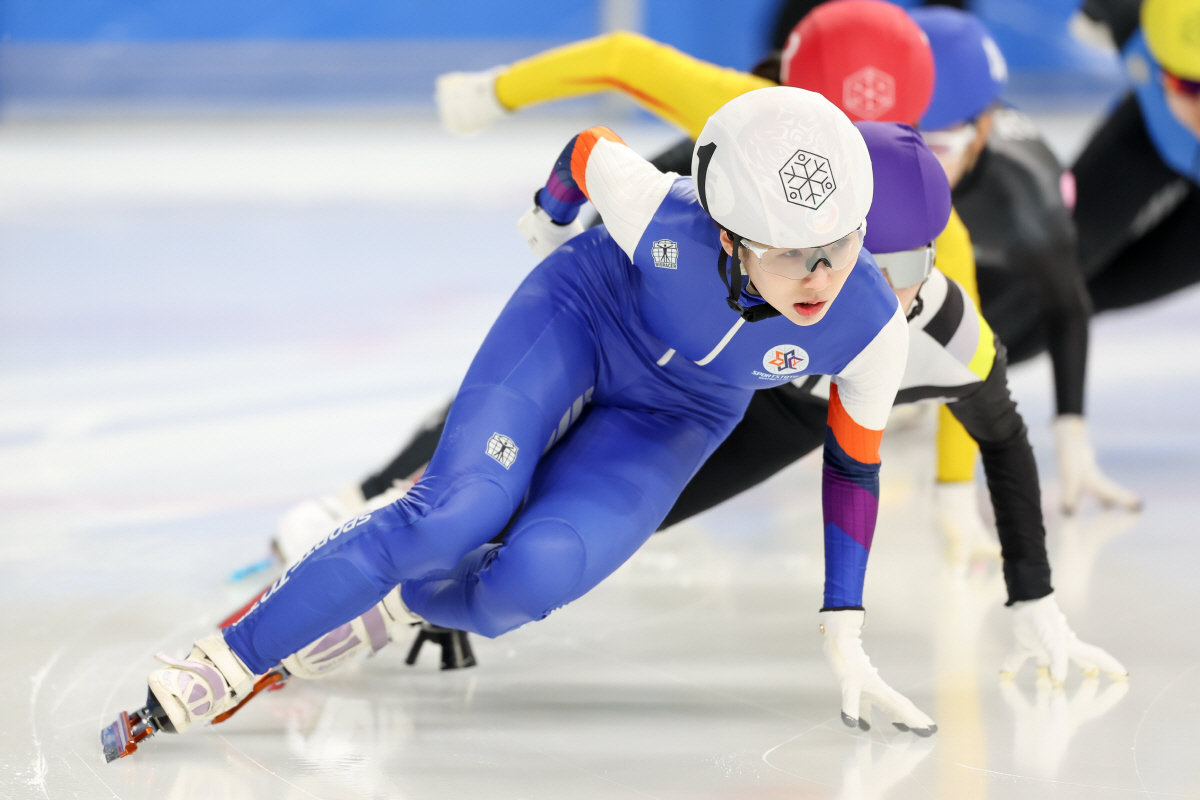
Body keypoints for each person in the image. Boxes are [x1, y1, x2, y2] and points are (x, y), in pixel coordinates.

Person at [117, 88, 938, 754]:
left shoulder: (868, 325)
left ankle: (399, 607)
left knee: (533, 579)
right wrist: (549, 221)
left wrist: (844, 626)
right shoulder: (659, 214)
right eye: (795, 254)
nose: (825, 274)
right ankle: (226, 658)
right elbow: (587, 151)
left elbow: (853, 466)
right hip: (585, 315)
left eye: (842, 243)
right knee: (457, 511)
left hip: (680, 414)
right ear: (728, 236)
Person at [253, 124, 1124, 742]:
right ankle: (398, 506)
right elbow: (658, 167)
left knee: (569, 528)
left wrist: (1035, 601)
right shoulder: (780, 195)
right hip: (657, 327)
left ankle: (420, 599)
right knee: (493, 456)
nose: (858, 292)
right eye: (851, 256)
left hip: (763, 416)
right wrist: (572, 217)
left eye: (903, 272)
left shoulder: (944, 342)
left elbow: (1003, 443)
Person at [434, 0, 1142, 516]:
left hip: (752, 328)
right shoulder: (758, 107)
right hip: (701, 205)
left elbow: (968, 356)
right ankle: (421, 470)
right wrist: (486, 96)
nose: (916, 164)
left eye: (935, 146)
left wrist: (957, 496)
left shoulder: (950, 221)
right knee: (551, 369)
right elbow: (625, 64)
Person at [1071, 0, 1200, 314]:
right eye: (1190, 86)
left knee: (1087, 299)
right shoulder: (1135, 27)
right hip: (1150, 137)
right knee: (1056, 261)